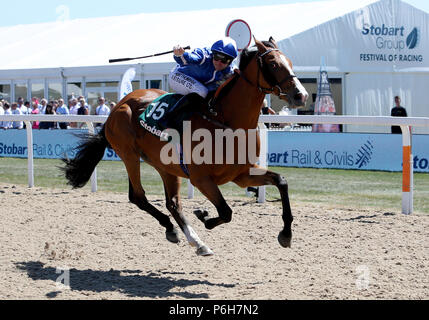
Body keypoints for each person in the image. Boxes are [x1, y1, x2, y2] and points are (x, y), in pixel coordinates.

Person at [164, 37, 238, 126]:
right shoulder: (204, 56)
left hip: (198, 83)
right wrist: (180, 54)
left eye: (224, 60)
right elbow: (189, 58)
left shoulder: (230, 71)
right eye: (216, 57)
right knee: (202, 91)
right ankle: (169, 120)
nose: (219, 62)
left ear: (230, 61)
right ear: (213, 54)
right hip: (178, 76)